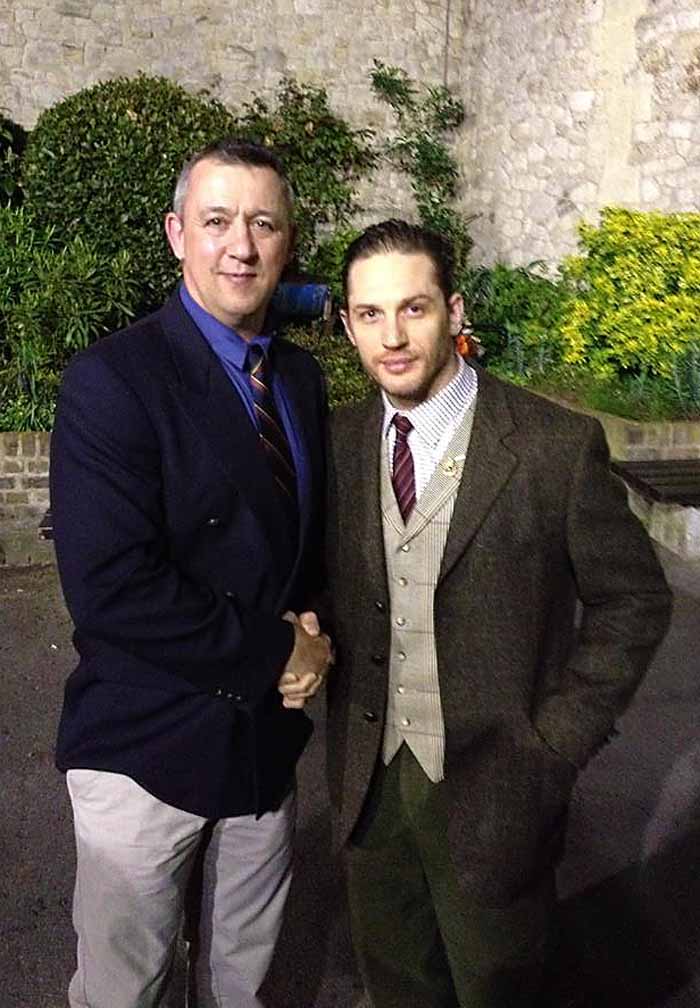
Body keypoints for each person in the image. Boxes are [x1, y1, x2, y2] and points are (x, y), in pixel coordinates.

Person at [324, 219, 672, 1007]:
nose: (392, 337)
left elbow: (634, 597)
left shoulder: (553, 446)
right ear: (347, 325)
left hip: (499, 785)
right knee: (398, 988)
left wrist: (555, 744)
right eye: (371, 314)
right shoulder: (339, 442)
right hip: (369, 784)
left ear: (454, 309)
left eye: (413, 308)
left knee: (499, 988)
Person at [50, 139, 332, 1008]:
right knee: (126, 990)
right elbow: (112, 588)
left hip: (263, 750)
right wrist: (278, 651)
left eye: (263, 223)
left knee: (249, 984)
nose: (240, 245)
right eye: (217, 221)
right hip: (147, 749)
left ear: (287, 242)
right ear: (177, 234)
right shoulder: (114, 379)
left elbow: (304, 541)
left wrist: (314, 626)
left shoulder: (299, 378)